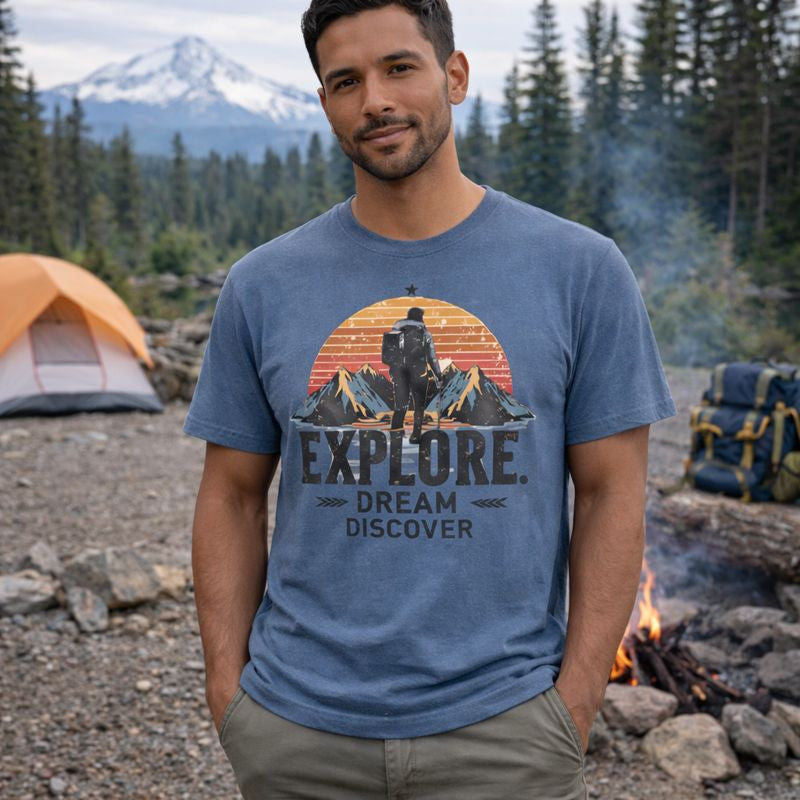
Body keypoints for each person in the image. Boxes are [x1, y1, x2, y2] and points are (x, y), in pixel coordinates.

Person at [183, 1, 677, 797]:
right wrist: (229, 696)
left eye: (399, 68)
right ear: (325, 103)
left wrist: (574, 702)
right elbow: (232, 496)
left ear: (454, 75)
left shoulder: (580, 270)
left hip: (505, 733)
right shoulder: (263, 284)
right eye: (345, 80)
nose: (373, 99)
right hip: (295, 732)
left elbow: (612, 492)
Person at [386, 306, 443, 443]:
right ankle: (416, 436)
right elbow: (432, 357)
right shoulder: (424, 333)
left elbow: (388, 355)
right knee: (419, 406)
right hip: (419, 373)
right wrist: (438, 375)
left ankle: (396, 434)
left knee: (400, 405)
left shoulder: (396, 330)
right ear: (420, 317)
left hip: (399, 373)